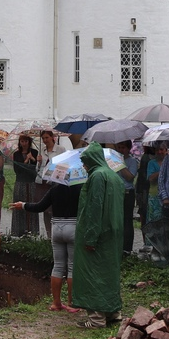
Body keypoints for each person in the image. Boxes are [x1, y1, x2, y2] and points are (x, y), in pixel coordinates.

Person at [72, 141, 124, 328]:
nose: (84, 166)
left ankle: (96, 319)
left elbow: (95, 208)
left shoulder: (97, 176)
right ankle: (113, 313)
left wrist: (90, 237)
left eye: (85, 162)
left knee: (92, 273)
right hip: (114, 233)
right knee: (109, 273)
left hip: (99, 234)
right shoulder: (114, 176)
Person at [11, 179, 83, 312]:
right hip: (73, 227)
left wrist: (23, 205)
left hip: (56, 227)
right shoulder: (80, 189)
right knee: (73, 267)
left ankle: (56, 303)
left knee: (58, 266)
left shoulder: (55, 189)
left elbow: (40, 207)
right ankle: (72, 304)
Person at [111, 139, 139, 255]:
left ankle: (127, 248)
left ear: (128, 149)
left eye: (123, 148)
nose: (121, 150)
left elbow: (129, 177)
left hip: (127, 193)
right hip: (115, 192)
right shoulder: (113, 160)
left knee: (127, 220)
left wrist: (121, 165)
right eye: (119, 147)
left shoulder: (132, 161)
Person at [35, 129, 63, 238]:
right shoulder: (42, 150)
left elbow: (63, 166)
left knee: (53, 209)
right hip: (42, 182)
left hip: (54, 182)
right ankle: (48, 235)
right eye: (43, 138)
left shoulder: (60, 149)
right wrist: (38, 162)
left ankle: (56, 234)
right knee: (45, 209)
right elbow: (37, 169)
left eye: (47, 137)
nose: (45, 140)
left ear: (52, 137)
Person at [10, 134, 40, 237]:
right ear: (20, 142)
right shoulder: (17, 154)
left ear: (29, 142)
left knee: (31, 204)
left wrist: (34, 159)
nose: (24, 143)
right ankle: (18, 230)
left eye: (26, 141)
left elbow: (36, 168)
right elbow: (17, 170)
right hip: (20, 182)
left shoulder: (35, 152)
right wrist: (26, 161)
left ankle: (32, 230)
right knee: (19, 205)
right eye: (22, 141)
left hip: (31, 182)